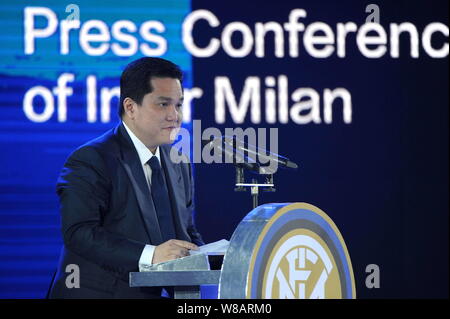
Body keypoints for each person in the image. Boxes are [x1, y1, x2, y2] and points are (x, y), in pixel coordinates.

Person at [48, 57, 204, 299]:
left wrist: (208, 256)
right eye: (163, 104)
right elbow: (79, 232)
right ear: (130, 107)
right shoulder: (91, 159)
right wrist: (150, 255)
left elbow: (185, 230)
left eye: (179, 105)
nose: (175, 115)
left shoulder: (178, 161)